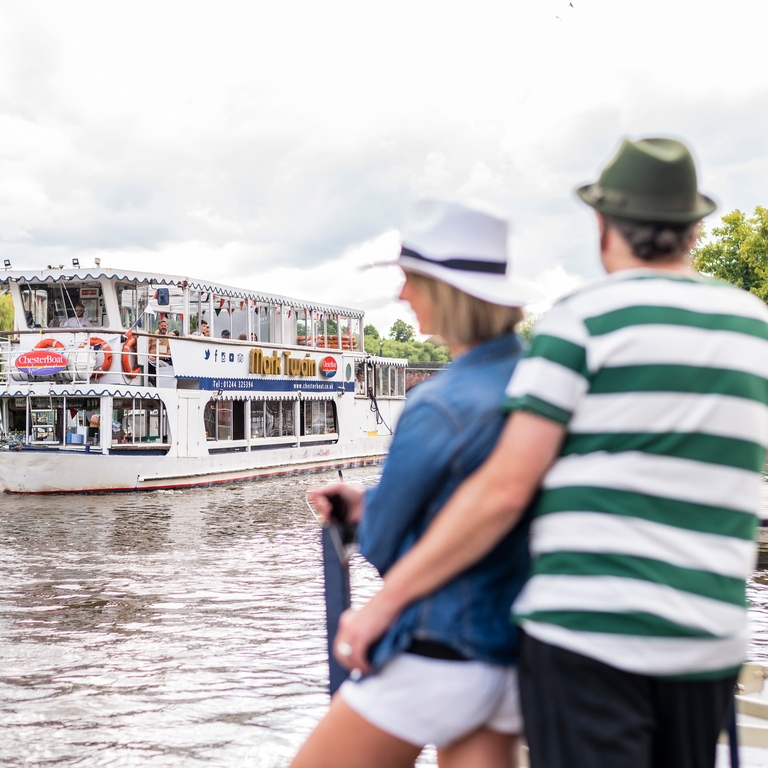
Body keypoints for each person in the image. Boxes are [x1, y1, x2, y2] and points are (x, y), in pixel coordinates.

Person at [333, 138, 768, 768]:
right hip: (708, 638)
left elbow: (506, 488)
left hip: (588, 638)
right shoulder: (753, 326)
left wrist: (384, 604)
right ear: (693, 229)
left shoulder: (582, 321)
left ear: (602, 225)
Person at [291, 200, 533, 768]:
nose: (402, 295)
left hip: (442, 644)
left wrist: (358, 514)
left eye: (409, 280)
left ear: (444, 292)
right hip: (512, 650)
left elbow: (384, 539)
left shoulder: (438, 402)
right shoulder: (539, 381)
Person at [147, 318, 172, 385]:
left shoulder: (169, 338)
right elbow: (147, 347)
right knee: (148, 364)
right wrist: (149, 356)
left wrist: (169, 352)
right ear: (158, 327)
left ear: (167, 327)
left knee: (172, 362)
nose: (163, 327)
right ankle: (152, 381)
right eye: (162, 326)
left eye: (165, 326)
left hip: (163, 359)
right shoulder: (152, 336)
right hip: (152, 358)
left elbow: (171, 348)